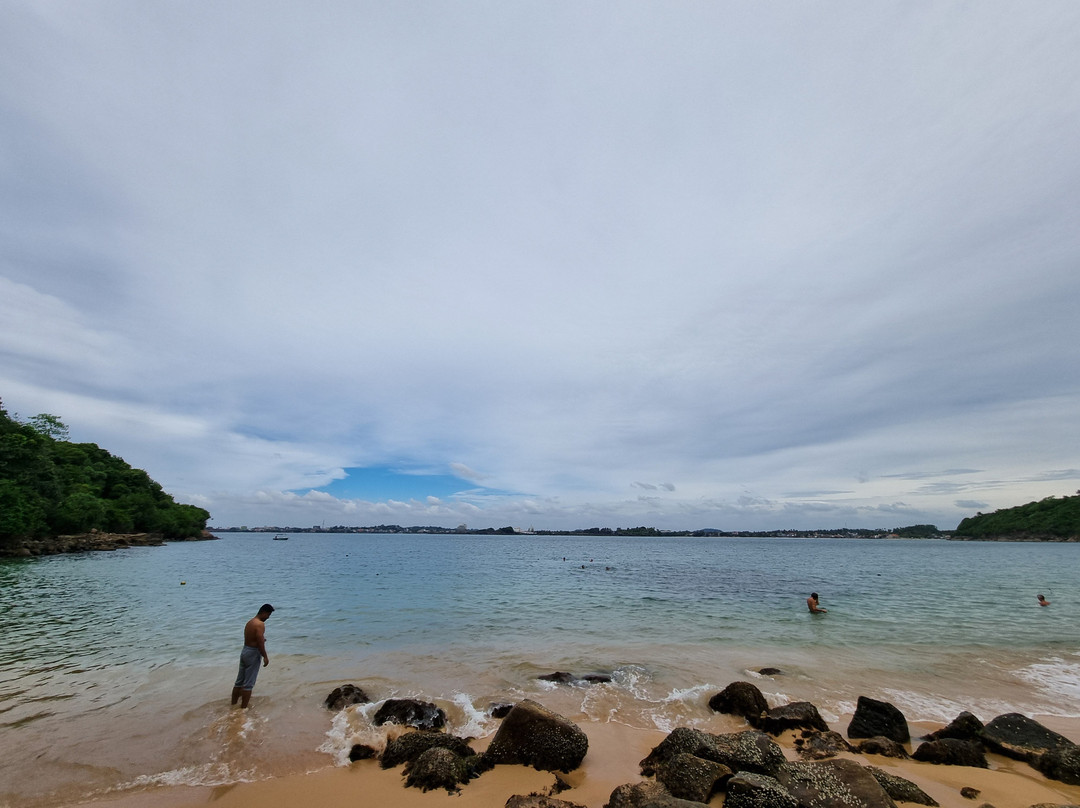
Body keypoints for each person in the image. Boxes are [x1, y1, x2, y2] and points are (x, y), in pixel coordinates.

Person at [231, 604, 274, 708]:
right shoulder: (260, 624)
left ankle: (233, 705)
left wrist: (261, 639)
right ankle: (243, 709)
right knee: (248, 684)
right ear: (264, 612)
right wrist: (265, 656)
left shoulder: (250, 622)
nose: (268, 618)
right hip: (253, 653)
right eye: (268, 615)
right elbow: (260, 642)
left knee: (239, 682)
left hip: (245, 651)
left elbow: (252, 638)